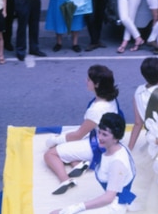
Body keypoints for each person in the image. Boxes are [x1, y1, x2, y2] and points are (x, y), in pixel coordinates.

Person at [28, 112, 136, 214]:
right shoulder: (114, 149)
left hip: (111, 211)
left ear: (116, 136)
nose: (99, 136)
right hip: (112, 204)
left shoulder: (117, 162)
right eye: (100, 132)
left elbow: (109, 197)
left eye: (105, 134)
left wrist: (80, 206)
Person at [43, 64, 120, 195]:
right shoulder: (110, 98)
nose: (86, 81)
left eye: (89, 79)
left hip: (98, 144)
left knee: (50, 154)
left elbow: (78, 135)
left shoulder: (96, 110)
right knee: (68, 146)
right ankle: (78, 163)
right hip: (104, 137)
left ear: (96, 84)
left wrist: (56, 140)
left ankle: (65, 180)